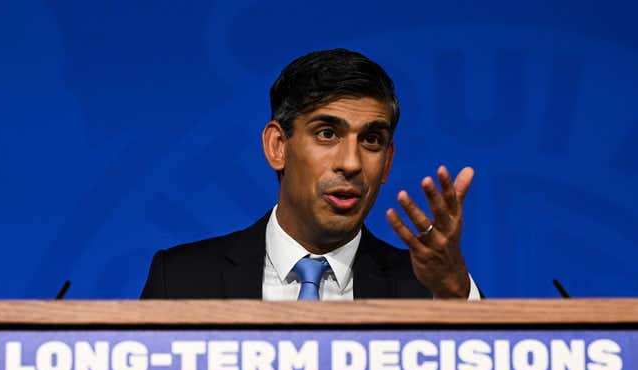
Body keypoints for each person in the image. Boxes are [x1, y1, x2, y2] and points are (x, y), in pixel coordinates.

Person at [141, 48, 480, 300]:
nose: (351, 163)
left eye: (371, 140)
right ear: (278, 146)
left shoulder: (427, 289)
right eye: (327, 134)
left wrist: (454, 294)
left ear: (388, 162)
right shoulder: (182, 279)